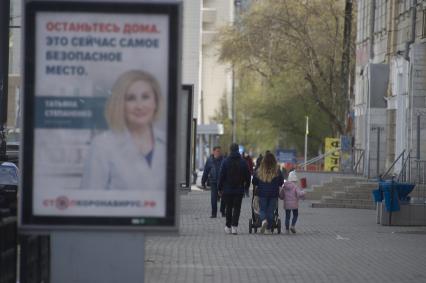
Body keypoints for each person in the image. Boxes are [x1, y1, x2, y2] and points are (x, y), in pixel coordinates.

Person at [80, 70, 166, 191]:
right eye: (131, 98)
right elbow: (89, 199)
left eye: (145, 97)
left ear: (155, 102)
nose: (139, 106)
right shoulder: (102, 145)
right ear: (120, 104)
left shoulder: (167, 143)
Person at [218, 143, 251, 235]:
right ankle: (234, 227)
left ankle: (228, 226)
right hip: (239, 189)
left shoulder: (225, 161)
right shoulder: (243, 162)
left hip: (227, 189)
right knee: (237, 208)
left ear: (230, 150)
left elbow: (221, 175)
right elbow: (248, 176)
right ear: (238, 150)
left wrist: (219, 188)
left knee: (228, 208)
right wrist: (246, 187)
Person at [252, 151, 284, 234]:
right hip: (273, 194)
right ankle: (268, 229)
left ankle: (263, 221)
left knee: (262, 209)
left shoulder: (260, 170)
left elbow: (254, 181)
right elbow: (281, 182)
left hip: (262, 193)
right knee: (270, 211)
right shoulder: (277, 170)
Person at [201, 146, 224, 218]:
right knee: (213, 198)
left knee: (224, 197)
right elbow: (206, 171)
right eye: (217, 151)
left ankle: (223, 212)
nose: (219, 153)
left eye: (220, 151)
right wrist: (203, 182)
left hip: (222, 182)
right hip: (213, 181)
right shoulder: (209, 160)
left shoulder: (224, 160)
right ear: (213, 152)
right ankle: (214, 213)